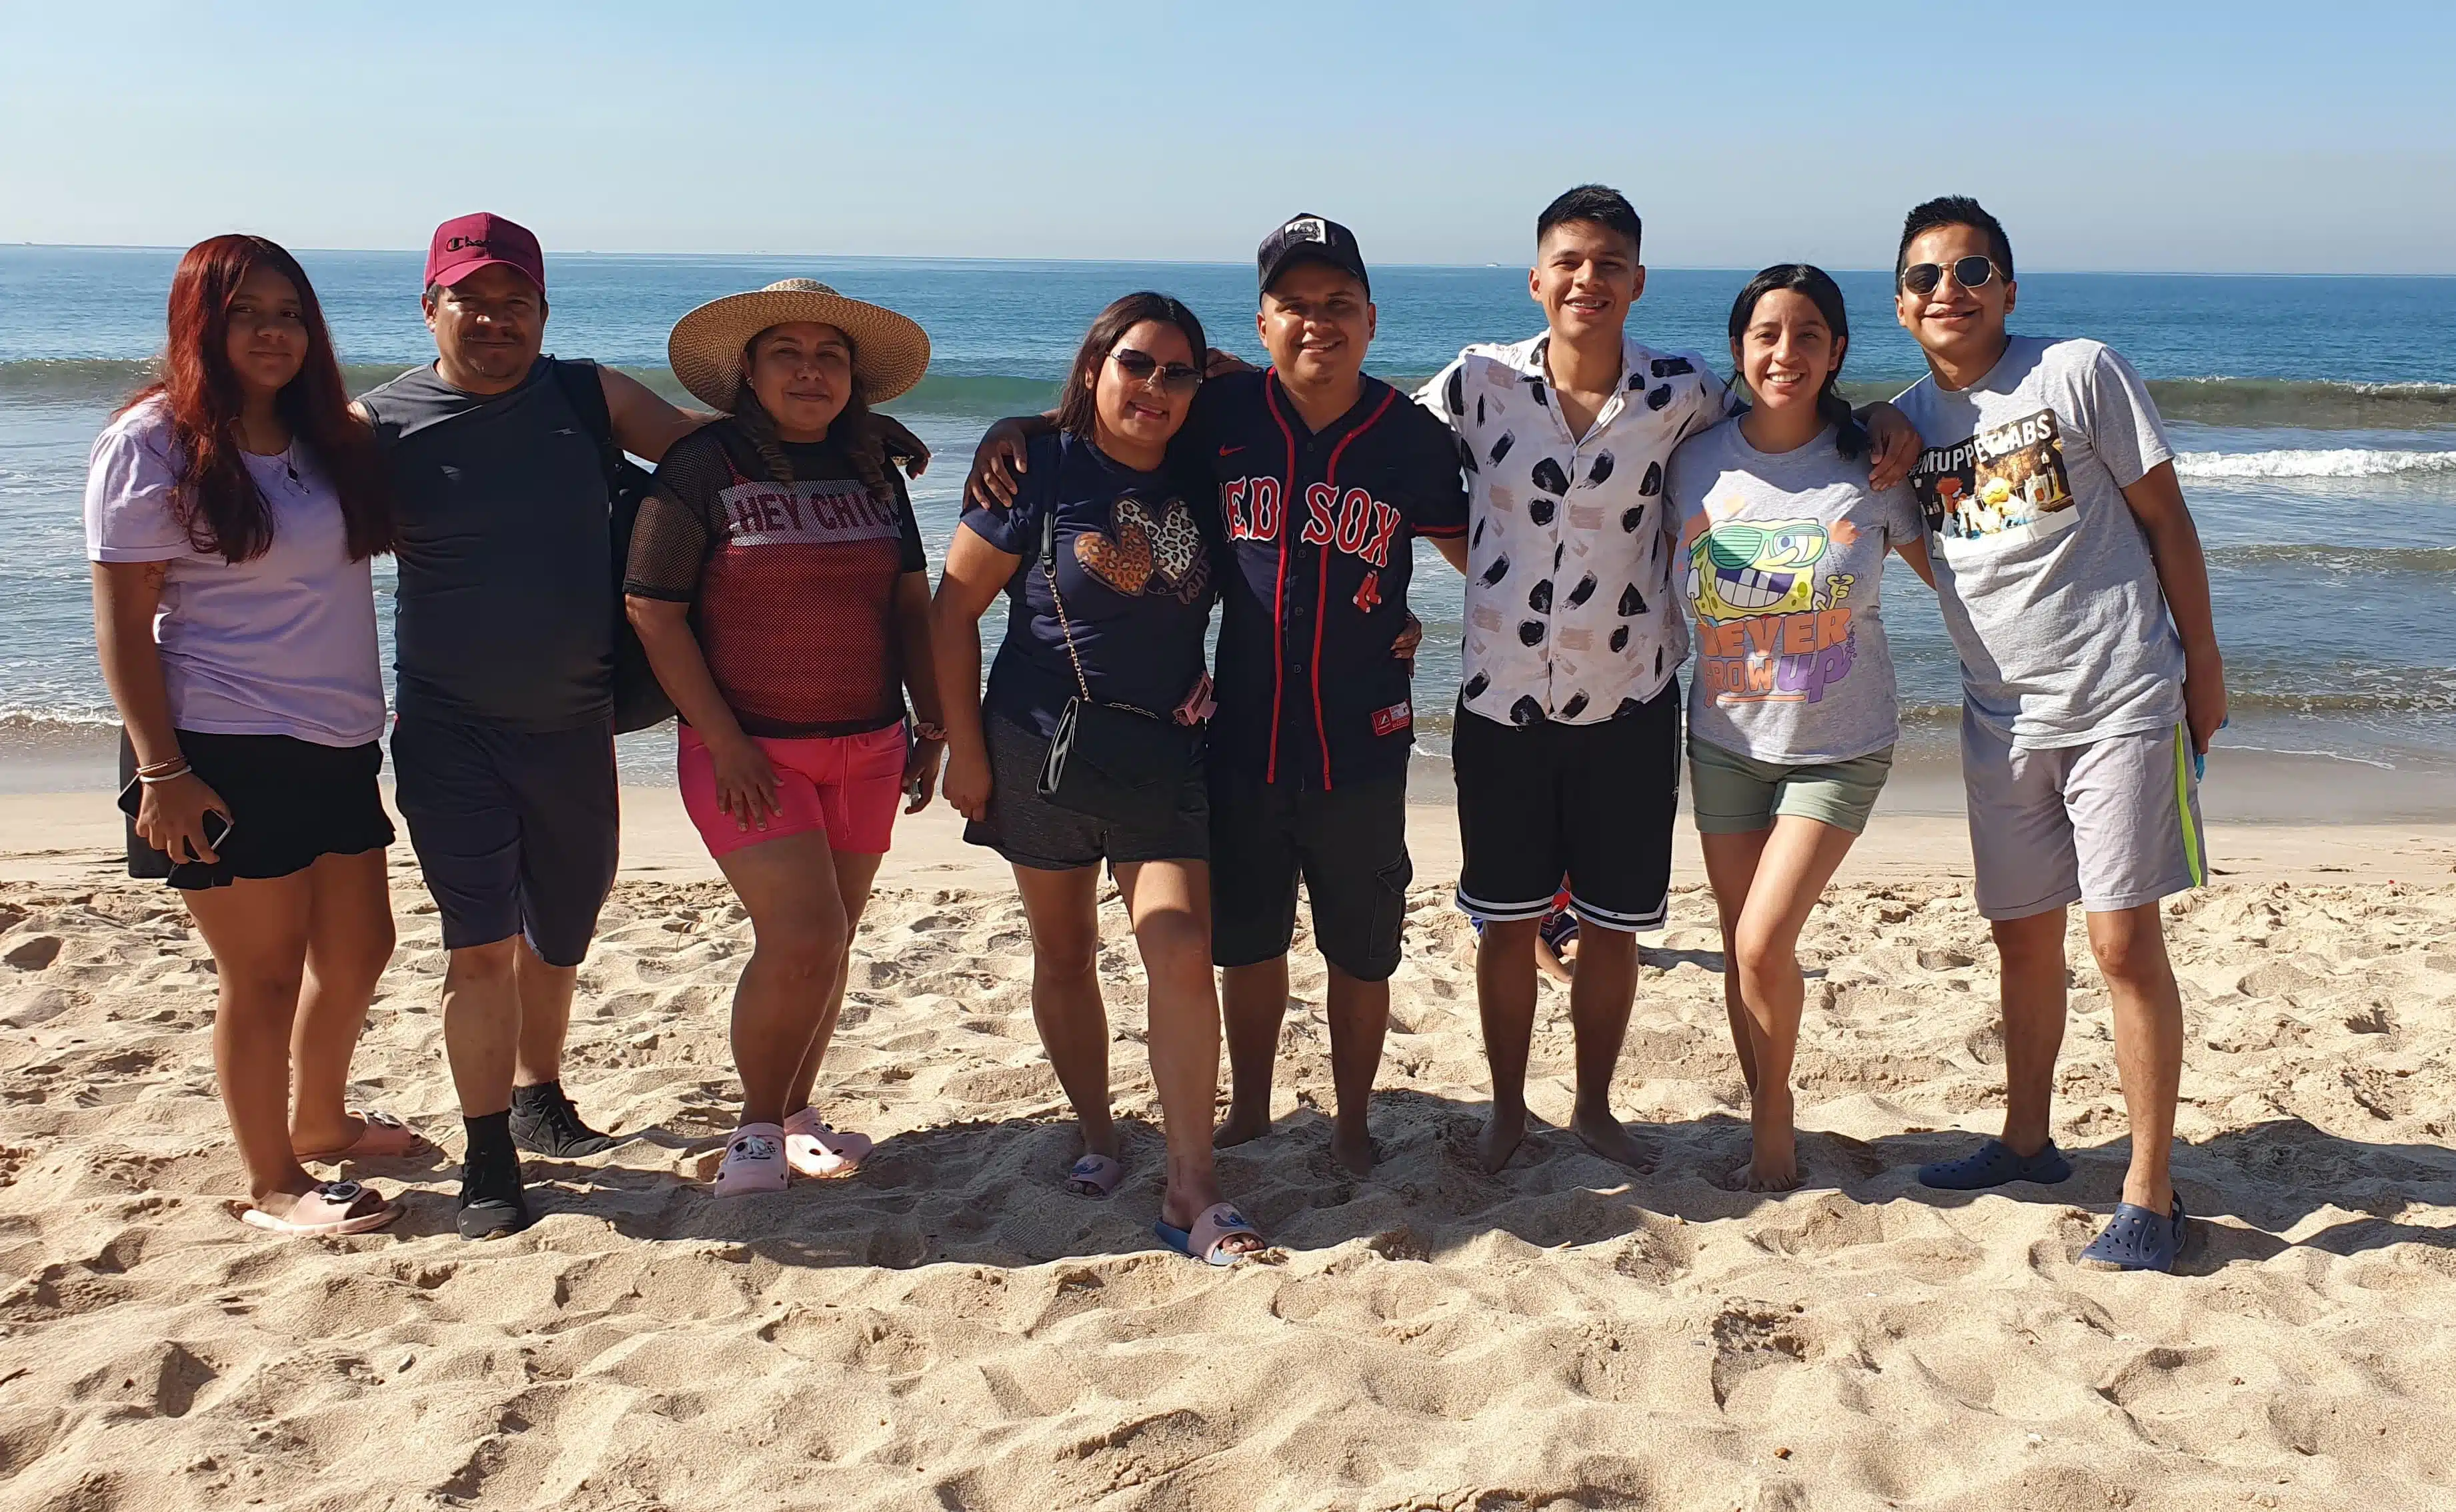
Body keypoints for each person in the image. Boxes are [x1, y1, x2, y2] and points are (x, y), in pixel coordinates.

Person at [357, 214, 925, 1237]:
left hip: (579, 722)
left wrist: (851, 435)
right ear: (430, 306)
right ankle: (493, 1155)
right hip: (450, 727)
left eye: (514, 302)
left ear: (541, 310)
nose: (494, 320)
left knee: (564, 927)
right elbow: (276, 522)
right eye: (471, 300)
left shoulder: (588, 395)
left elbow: (714, 458)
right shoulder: (378, 426)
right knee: (481, 943)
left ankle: (541, 1095)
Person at [1417, 186, 1920, 1175]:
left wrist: (1877, 418)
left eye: (1609, 265)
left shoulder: (1685, 395)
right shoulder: (1473, 382)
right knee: (1504, 922)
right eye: (1568, 262)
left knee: (1611, 929)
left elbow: (1786, 403)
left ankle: (1595, 1109)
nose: (1587, 280)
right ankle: (1507, 1113)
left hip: (1630, 702)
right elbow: (1366, 437)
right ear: (1535, 277)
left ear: (1637, 282)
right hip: (1498, 696)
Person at [965, 217, 1466, 1179]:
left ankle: (1354, 1120)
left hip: (1363, 741)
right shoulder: (1225, 414)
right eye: (1295, 306)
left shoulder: (1410, 438)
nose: (1316, 323)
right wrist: (1016, 427)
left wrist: (1426, 627)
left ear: (1370, 317)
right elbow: (1116, 421)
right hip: (1236, 737)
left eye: (1338, 305)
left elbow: (1481, 556)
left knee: (1362, 953)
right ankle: (1246, 1107)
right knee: (1247, 945)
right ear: (1265, 321)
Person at [1888, 197, 2224, 1273]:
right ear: (1901, 306)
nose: (1950, 290)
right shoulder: (1902, 423)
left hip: (2121, 696)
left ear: (2007, 289)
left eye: (1971, 270)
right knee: (2021, 938)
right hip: (1999, 718)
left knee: (2122, 944)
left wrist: (2203, 671)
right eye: (1926, 277)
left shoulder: (2076, 371)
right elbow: (1921, 551)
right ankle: (2026, 1143)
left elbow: (2166, 518)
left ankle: (2149, 1190)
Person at [86, 234, 411, 1236]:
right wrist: (163, 771)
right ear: (201, 323)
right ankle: (272, 1180)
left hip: (337, 737)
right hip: (216, 744)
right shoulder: (150, 443)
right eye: (245, 313)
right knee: (263, 975)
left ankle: (321, 1121)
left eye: (288, 313)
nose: (272, 333)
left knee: (361, 947)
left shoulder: (324, 438)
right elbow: (122, 623)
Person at [933, 292, 1264, 1264]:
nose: (1154, 387)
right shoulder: (1034, 470)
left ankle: (1190, 1184)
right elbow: (949, 616)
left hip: (1163, 755)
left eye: (1177, 371)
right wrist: (964, 749)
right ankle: (1096, 1131)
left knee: (1177, 946)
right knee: (1065, 952)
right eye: (1134, 364)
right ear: (1092, 368)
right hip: (1038, 748)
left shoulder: (1205, 472)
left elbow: (1262, 387)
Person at [623, 280, 946, 1195]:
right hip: (750, 754)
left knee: (832, 940)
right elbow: (652, 608)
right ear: (748, 372)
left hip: (871, 743)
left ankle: (797, 1113)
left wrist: (934, 724)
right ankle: (755, 1130)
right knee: (800, 936)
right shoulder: (704, 465)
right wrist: (722, 741)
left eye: (829, 357)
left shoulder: (872, 468)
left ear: (853, 379)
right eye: (788, 355)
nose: (811, 371)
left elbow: (907, 602)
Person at [1665, 265, 1935, 1192]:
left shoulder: (1875, 466)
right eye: (1767, 335)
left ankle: (1773, 1136)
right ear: (1738, 351)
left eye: (1808, 334)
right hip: (1724, 743)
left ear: (1838, 352)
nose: (1786, 353)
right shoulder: (1692, 460)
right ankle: (1764, 1119)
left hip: (1840, 744)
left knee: (1757, 944)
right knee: (1743, 944)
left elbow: (1962, 582)